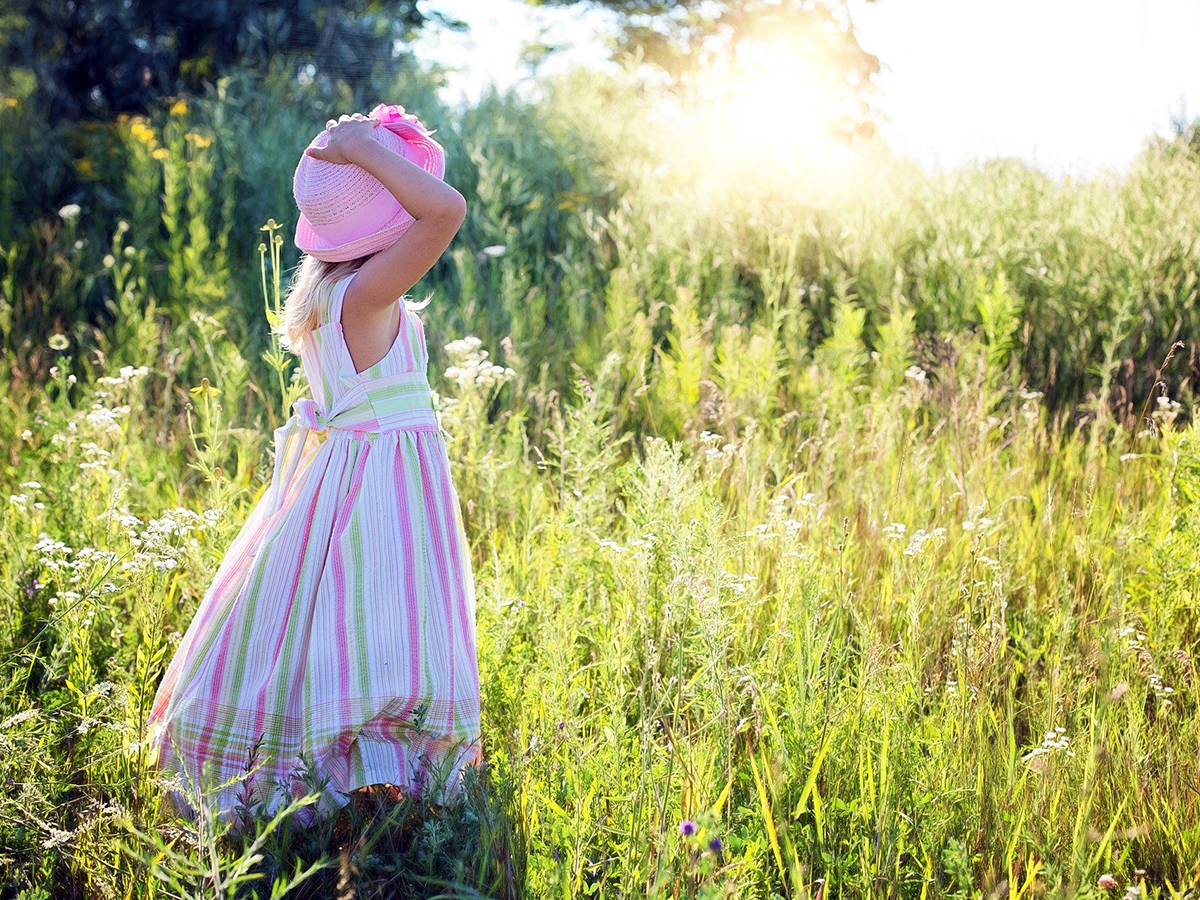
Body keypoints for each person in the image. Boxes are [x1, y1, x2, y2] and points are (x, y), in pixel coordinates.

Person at [145, 104, 480, 825]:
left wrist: (362, 152)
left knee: (326, 621)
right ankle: (368, 772)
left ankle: (360, 769)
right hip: (383, 486)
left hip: (348, 477)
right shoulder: (366, 296)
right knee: (381, 626)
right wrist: (363, 146)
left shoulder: (332, 294)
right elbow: (447, 211)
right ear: (388, 217)